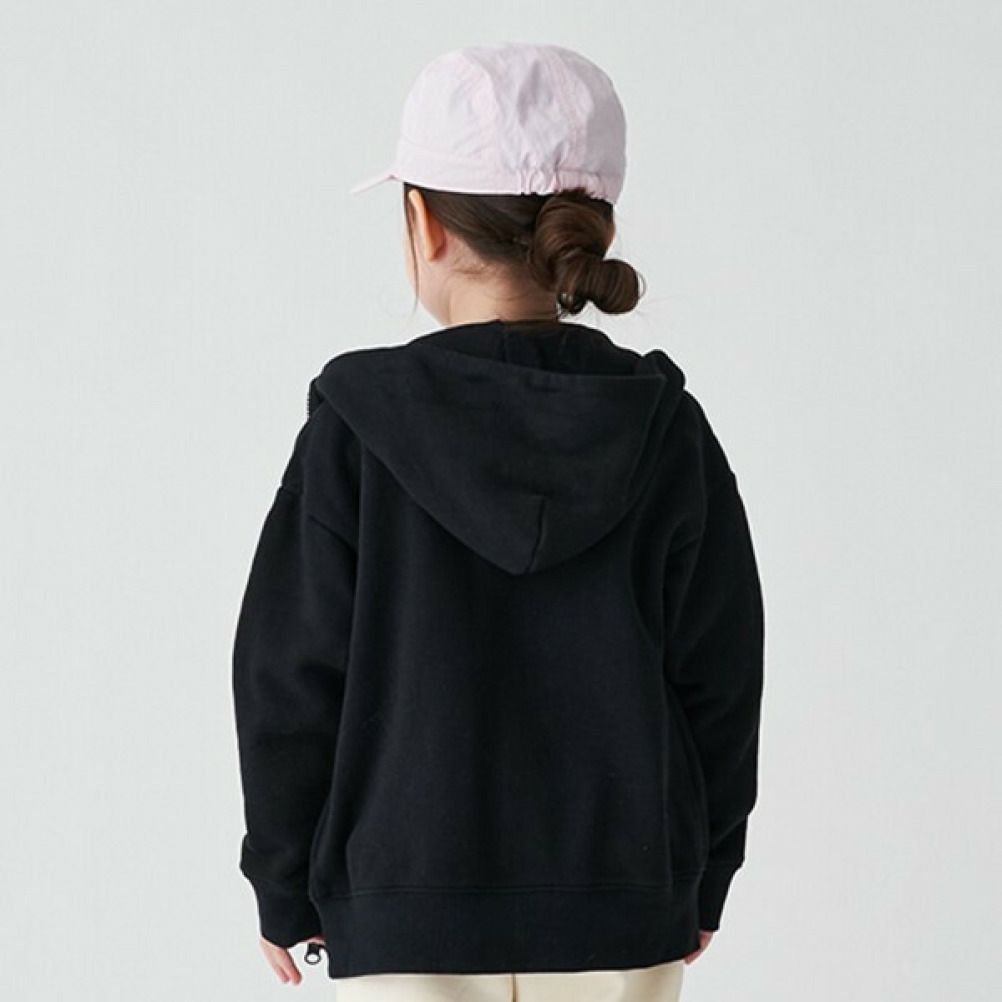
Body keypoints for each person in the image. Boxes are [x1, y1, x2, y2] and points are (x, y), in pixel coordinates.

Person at [231, 41, 765, 1001]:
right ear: (592, 228)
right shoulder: (664, 428)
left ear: (423, 223)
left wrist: (282, 879)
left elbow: (287, 677)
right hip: (623, 910)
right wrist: (707, 871)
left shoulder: (354, 429)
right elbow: (721, 676)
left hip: (401, 915)